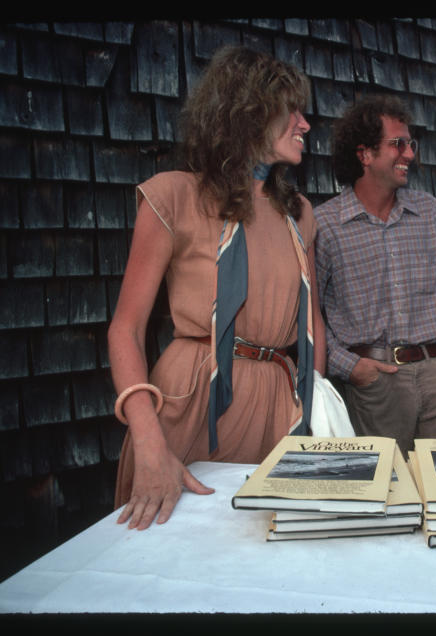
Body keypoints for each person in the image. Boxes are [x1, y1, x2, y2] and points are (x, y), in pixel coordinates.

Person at [108, 46, 326, 529]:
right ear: (248, 113)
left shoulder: (300, 215)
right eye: (291, 109)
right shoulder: (174, 195)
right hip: (191, 402)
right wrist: (149, 443)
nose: (305, 123)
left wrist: (313, 417)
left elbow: (313, 326)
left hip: (277, 407)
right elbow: (125, 329)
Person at [314, 95, 436, 455]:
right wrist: (352, 368)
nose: (409, 154)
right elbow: (310, 312)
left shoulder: (427, 211)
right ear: (365, 155)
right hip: (377, 385)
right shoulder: (324, 224)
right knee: (387, 494)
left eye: (411, 143)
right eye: (398, 144)